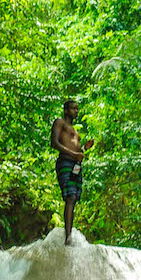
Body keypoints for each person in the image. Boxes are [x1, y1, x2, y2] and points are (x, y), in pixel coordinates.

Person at [50, 100, 96, 246]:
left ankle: (69, 233)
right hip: (65, 162)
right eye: (73, 109)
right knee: (70, 196)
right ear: (66, 110)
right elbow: (54, 143)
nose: (76, 111)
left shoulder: (75, 131)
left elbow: (78, 151)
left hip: (76, 164)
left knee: (74, 197)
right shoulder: (60, 123)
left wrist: (85, 148)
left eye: (77, 109)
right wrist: (72, 153)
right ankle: (68, 237)